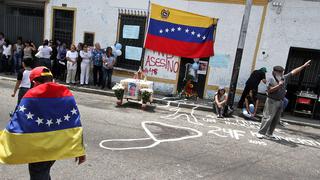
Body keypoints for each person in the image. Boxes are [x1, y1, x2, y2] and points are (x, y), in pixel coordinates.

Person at [0, 66, 86, 179]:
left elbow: (18, 122)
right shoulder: (66, 93)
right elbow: (75, 123)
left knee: (38, 173)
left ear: (34, 82)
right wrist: (80, 150)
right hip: (56, 146)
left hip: (38, 148)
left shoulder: (32, 95)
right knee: (43, 172)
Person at [257, 60, 312, 139]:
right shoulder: (270, 79)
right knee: (267, 117)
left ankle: (269, 133)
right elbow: (269, 91)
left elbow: (293, 72)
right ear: (274, 72)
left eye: (282, 72)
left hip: (280, 101)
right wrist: (279, 86)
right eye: (280, 72)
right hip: (272, 100)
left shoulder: (284, 78)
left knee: (276, 119)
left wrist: (303, 66)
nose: (281, 73)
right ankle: (261, 132)